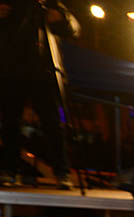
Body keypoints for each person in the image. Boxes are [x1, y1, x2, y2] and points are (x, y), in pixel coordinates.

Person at [0, 0, 80, 188]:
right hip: (10, 69)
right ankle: (10, 171)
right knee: (11, 122)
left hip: (43, 70)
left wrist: (61, 20)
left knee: (51, 123)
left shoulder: (46, 3)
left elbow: (74, 29)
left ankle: (62, 172)